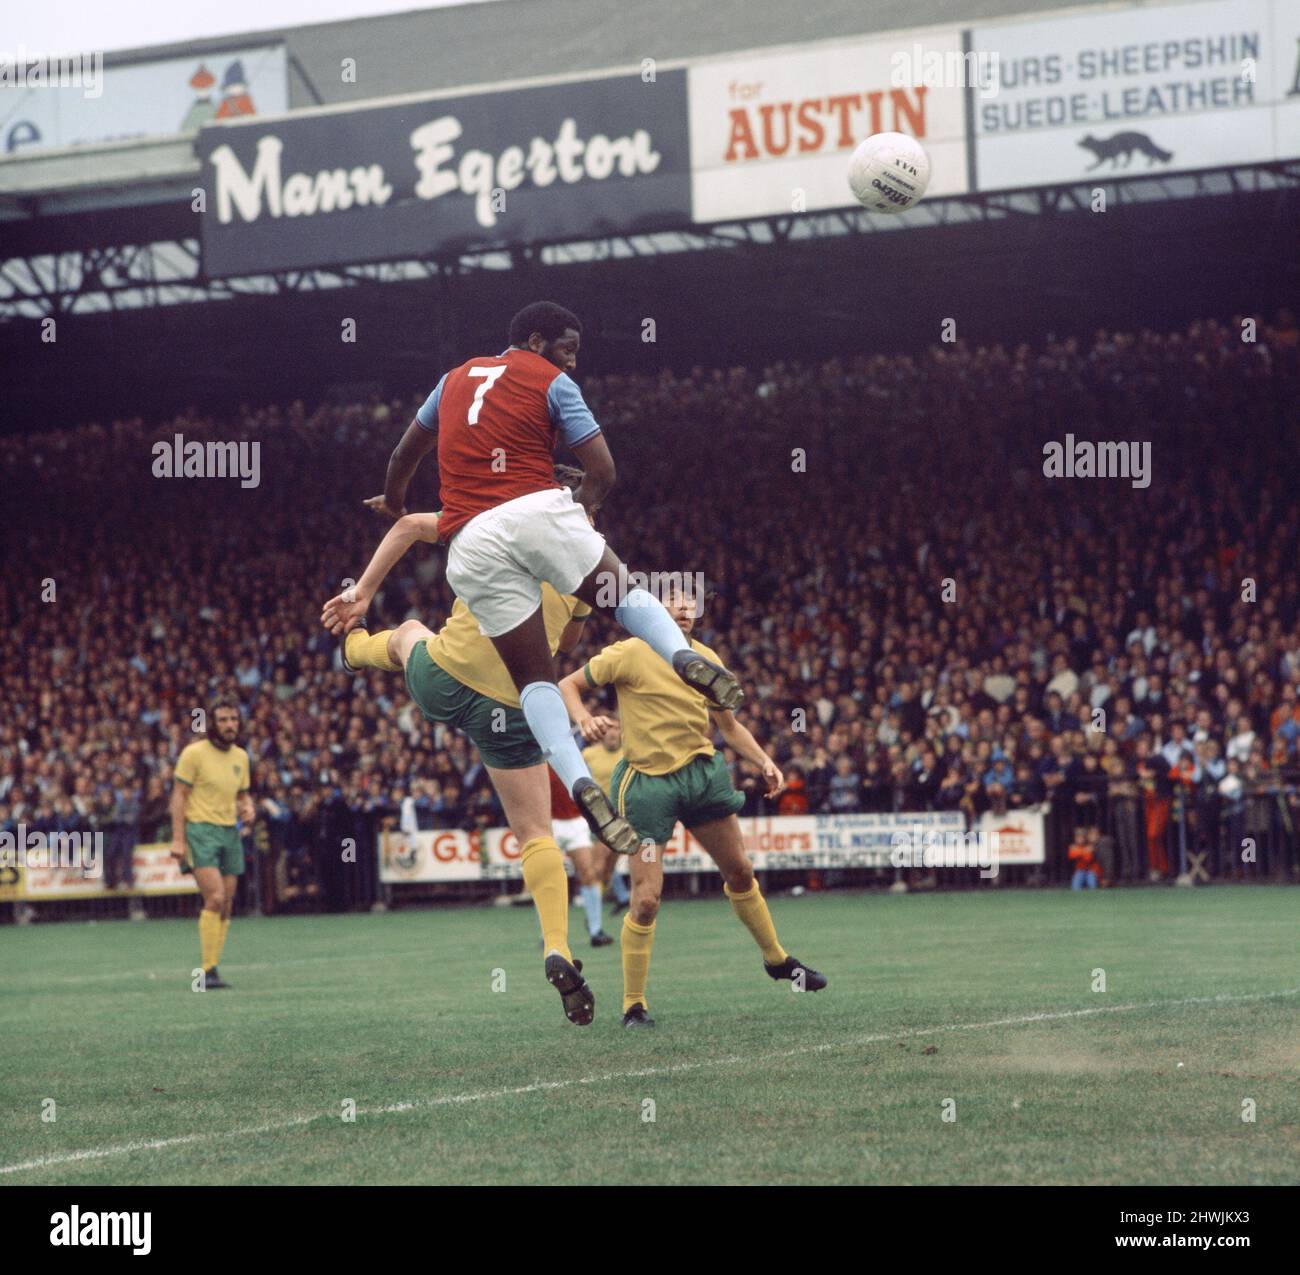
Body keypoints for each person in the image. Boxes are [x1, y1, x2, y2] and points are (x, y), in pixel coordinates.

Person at [368, 300, 743, 859]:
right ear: (538, 341)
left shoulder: (450, 382)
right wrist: (581, 511)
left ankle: (579, 782)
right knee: (625, 593)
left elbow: (404, 454)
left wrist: (395, 502)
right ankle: (682, 656)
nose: (573, 363)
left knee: (534, 682)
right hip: (536, 509)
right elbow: (604, 471)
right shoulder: (549, 381)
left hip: (469, 541)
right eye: (567, 349)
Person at [322, 474, 599, 1025]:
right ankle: (557, 946)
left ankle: (353, 650)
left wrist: (363, 593)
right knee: (535, 835)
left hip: (446, 678)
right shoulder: (589, 559)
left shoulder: (490, 521)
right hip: (517, 707)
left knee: (406, 631)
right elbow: (568, 644)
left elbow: (404, 525)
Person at [558, 584, 826, 1028]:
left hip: (701, 778)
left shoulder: (706, 659)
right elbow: (568, 684)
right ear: (650, 611)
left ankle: (777, 960)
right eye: (672, 602)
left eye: (688, 603)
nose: (682, 609)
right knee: (646, 900)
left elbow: (730, 726)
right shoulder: (629, 652)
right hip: (647, 789)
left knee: (740, 871)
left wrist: (764, 761)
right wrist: (583, 718)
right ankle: (633, 1006)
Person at [170, 698, 254, 990]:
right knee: (215, 897)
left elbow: (243, 794)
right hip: (200, 832)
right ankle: (206, 970)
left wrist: (248, 807)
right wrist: (178, 838)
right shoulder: (193, 754)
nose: (230, 725)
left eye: (234, 719)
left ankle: (213, 970)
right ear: (211, 724)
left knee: (227, 904)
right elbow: (179, 795)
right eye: (223, 720)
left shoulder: (241, 757)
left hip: (229, 831)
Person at [547, 765, 614, 947]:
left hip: (576, 822)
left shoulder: (574, 755)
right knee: (548, 878)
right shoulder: (537, 758)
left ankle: (596, 930)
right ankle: (549, 936)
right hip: (549, 822)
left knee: (588, 874)